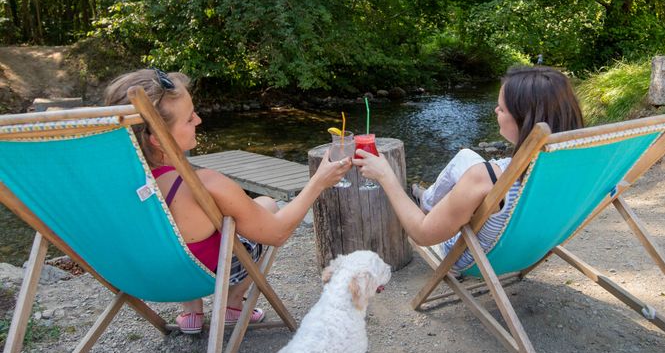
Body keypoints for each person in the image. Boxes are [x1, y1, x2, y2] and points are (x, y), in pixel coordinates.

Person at [102, 68, 352, 334]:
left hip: (137, 277)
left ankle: (191, 312)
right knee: (266, 204)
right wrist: (319, 182)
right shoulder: (203, 185)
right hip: (198, 278)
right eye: (189, 119)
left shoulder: (106, 185)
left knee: (171, 235)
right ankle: (233, 304)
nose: (198, 120)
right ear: (157, 140)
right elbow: (276, 233)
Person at [354, 65, 583, 273]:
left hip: (474, 258)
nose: (495, 111)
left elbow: (422, 234)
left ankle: (427, 203)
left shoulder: (485, 177)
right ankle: (428, 199)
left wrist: (386, 175)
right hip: (530, 249)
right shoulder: (579, 166)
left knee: (464, 170)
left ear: (523, 120)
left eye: (502, 109)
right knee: (466, 156)